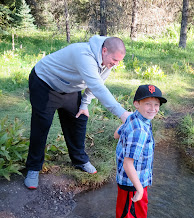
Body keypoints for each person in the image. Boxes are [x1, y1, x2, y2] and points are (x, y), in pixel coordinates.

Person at [24, 36, 131, 189]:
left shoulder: (107, 63)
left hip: (69, 89)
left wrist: (84, 104)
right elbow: (98, 87)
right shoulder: (83, 54)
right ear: (104, 50)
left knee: (79, 119)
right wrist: (122, 113)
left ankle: (79, 160)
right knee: (41, 125)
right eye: (114, 59)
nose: (116, 64)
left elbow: (98, 83)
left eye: (119, 61)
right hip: (45, 83)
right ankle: (33, 168)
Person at [114, 84, 167, 218]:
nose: (153, 109)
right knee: (136, 214)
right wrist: (138, 188)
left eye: (156, 105)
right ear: (137, 103)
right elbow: (129, 164)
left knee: (138, 211)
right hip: (133, 181)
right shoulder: (140, 131)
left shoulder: (134, 117)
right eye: (148, 104)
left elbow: (117, 134)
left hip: (138, 177)